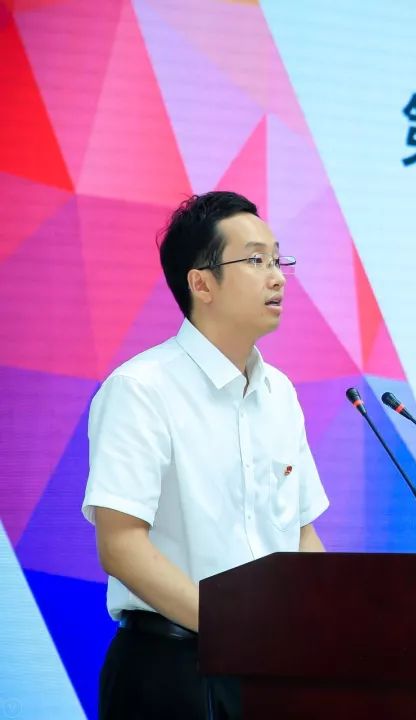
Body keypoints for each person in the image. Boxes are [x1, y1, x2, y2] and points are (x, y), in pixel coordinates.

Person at [82, 191, 330, 719]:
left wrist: (324, 625)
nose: (278, 277)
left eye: (278, 260)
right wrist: (232, 628)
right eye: (256, 260)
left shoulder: (280, 394)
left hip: (266, 670)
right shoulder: (141, 389)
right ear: (201, 283)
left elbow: (302, 533)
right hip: (168, 669)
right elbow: (121, 546)